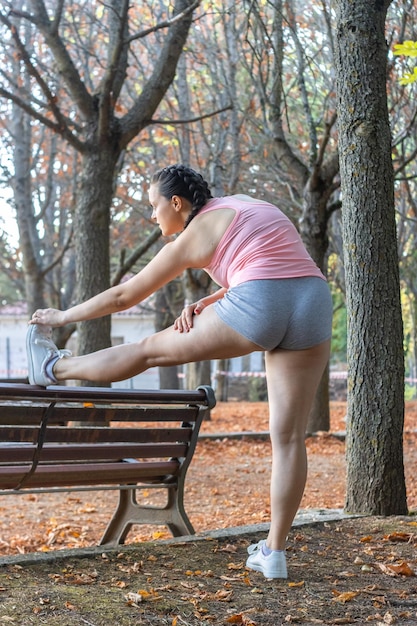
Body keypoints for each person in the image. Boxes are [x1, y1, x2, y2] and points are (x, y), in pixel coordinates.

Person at [27, 164, 332, 579]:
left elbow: (122, 296)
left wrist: (61, 316)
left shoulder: (193, 236)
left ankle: (53, 367)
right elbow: (276, 263)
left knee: (149, 349)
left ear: (176, 202)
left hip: (261, 299)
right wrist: (209, 301)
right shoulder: (247, 204)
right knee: (291, 438)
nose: (153, 217)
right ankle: (274, 553)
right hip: (313, 300)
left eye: (154, 206)